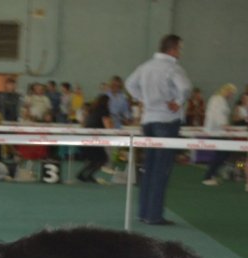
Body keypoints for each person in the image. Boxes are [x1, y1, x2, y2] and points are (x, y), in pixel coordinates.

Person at [125, 34, 192, 225]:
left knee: (149, 168)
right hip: (167, 120)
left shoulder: (145, 66)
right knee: (161, 170)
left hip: (149, 121)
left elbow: (129, 84)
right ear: (172, 49)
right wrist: (178, 102)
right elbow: (186, 88)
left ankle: (144, 213)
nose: (180, 53)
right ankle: (154, 215)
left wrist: (143, 99)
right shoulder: (173, 68)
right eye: (179, 48)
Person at [201, 83, 237, 186]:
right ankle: (208, 176)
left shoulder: (217, 99)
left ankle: (212, 174)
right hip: (217, 131)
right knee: (221, 154)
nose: (232, 95)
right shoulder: (219, 100)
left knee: (221, 154)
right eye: (231, 93)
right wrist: (224, 126)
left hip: (217, 131)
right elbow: (218, 116)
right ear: (227, 91)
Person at [78, 94, 113, 183]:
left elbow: (83, 122)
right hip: (95, 137)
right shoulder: (104, 110)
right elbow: (107, 123)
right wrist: (113, 131)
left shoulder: (91, 109)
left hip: (87, 135)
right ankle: (84, 174)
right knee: (102, 158)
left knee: (95, 159)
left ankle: (84, 174)